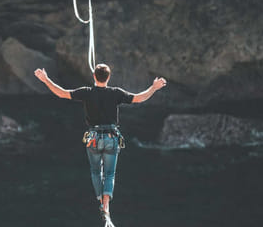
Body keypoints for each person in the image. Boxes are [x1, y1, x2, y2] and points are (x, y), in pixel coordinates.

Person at [34, 64, 166, 217]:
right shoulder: (115, 93)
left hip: (94, 138)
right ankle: (106, 204)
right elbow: (139, 98)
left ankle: (100, 201)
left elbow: (62, 93)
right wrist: (154, 87)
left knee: (96, 172)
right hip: (111, 137)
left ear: (94, 76)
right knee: (110, 174)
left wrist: (46, 80)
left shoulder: (87, 92)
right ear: (108, 77)